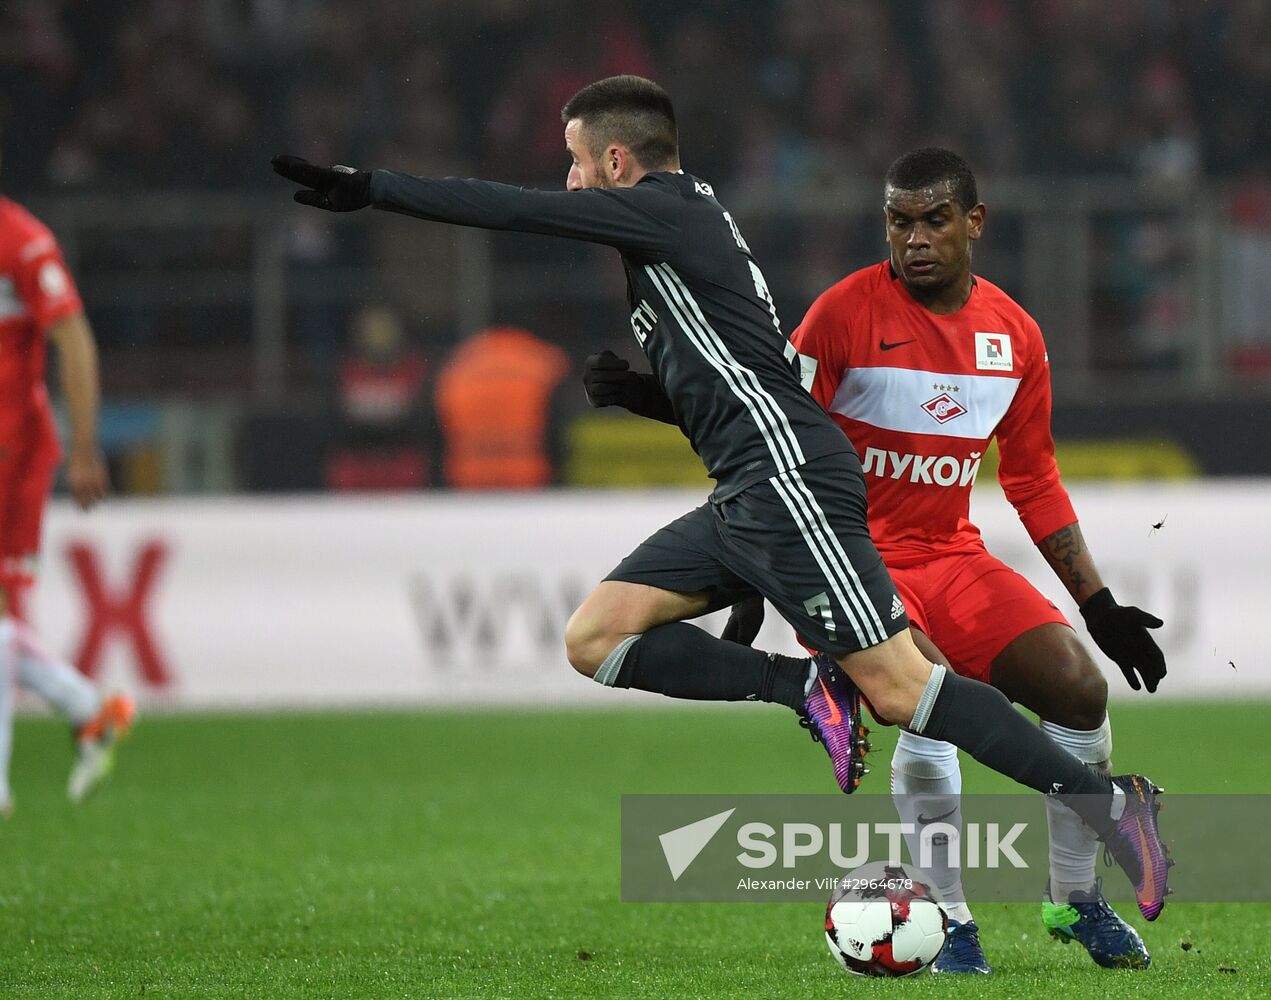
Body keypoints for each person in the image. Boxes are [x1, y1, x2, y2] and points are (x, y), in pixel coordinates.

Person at [272, 74, 1169, 919]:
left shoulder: (664, 209)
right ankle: (800, 685)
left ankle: (1107, 803)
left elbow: (517, 211)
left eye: (577, 160)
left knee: (902, 691)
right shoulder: (672, 230)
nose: (569, 178)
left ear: (617, 164)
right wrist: (673, 428)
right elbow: (740, 385)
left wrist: (376, 188)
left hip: (789, 482)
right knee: (595, 637)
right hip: (748, 489)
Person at [726, 147, 1165, 973]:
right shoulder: (839, 316)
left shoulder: (1013, 335)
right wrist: (752, 571)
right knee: (928, 702)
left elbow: (1031, 477)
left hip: (951, 557)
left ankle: (1075, 900)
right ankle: (952, 924)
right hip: (851, 562)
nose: (914, 238)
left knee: (1078, 688)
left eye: (933, 219)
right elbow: (769, 444)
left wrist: (1097, 605)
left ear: (974, 223)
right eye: (898, 220)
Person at [0, 192, 135, 815]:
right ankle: (87, 707)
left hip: (11, 450)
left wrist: (85, 447)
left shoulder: (22, 240)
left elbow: (74, 339)